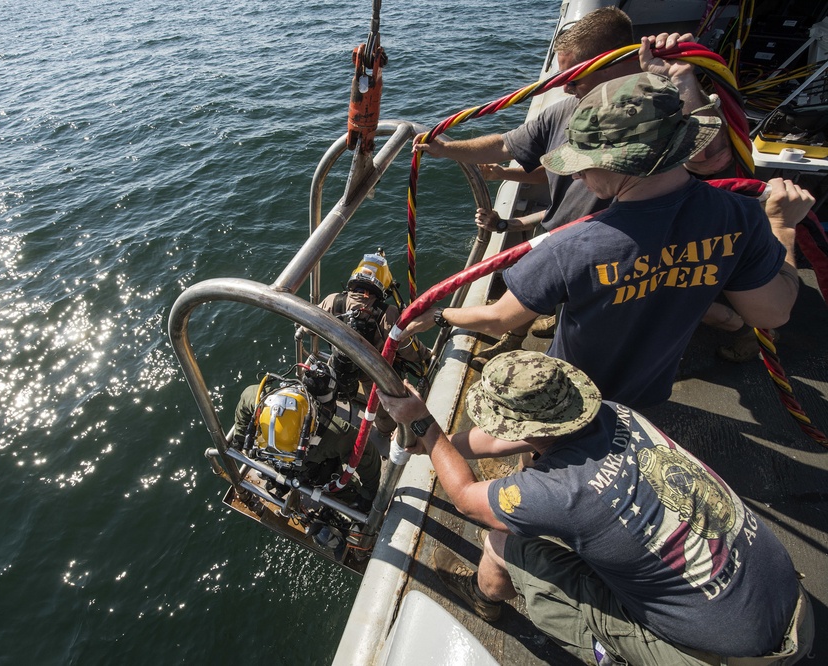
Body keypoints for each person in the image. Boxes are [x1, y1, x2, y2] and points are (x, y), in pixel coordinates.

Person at [402, 72, 814, 409]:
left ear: (625, 166)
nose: (576, 176)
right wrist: (782, 227)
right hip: (650, 392)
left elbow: (499, 318)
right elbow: (773, 313)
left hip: (572, 397)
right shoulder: (738, 216)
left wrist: (440, 315)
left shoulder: (571, 247)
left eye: (583, 165)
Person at [377, 351, 814, 665]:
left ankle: (488, 598)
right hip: (789, 599)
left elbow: (466, 499)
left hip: (738, 657)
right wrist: (436, 448)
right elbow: (511, 437)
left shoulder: (562, 494)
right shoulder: (612, 412)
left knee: (500, 544)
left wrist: (426, 427)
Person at [415, 7, 732, 359]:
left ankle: (736, 328)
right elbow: (507, 144)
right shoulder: (564, 111)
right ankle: (529, 335)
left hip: (623, 253)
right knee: (537, 290)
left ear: (611, 62)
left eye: (575, 76)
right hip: (565, 241)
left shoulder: (662, 110)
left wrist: (682, 78)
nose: (565, 87)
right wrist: (446, 150)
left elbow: (710, 159)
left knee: (614, 328)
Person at [315, 251, 430, 444]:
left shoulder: (333, 300)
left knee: (329, 390)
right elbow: (407, 348)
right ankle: (386, 432)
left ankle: (323, 420)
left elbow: (309, 326)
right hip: (372, 374)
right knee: (380, 410)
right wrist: (425, 356)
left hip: (338, 364)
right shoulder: (389, 314)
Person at [232, 369, 380, 508]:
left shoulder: (260, 400)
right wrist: (368, 495)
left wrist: (239, 439)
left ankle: (278, 481)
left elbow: (246, 398)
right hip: (308, 469)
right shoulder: (333, 434)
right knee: (333, 478)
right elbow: (365, 453)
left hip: (271, 459)